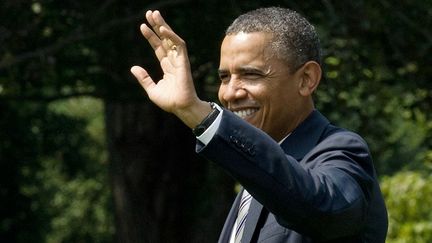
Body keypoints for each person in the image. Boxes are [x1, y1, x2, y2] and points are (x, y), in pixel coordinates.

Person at [130, 7, 388, 243]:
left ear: (306, 79)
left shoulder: (341, 152)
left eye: (251, 74)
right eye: (224, 77)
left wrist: (198, 113)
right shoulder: (254, 182)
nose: (230, 93)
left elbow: (322, 208)